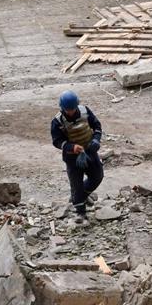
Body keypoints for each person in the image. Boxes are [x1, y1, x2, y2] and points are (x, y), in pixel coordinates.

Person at [51, 90, 104, 224]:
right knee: (76, 184)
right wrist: (71, 147)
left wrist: (96, 140)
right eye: (68, 110)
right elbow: (57, 141)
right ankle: (80, 212)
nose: (70, 112)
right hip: (72, 158)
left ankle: (80, 196)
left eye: (72, 109)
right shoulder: (57, 121)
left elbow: (97, 126)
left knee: (97, 176)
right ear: (62, 108)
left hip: (89, 151)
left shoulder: (85, 112)